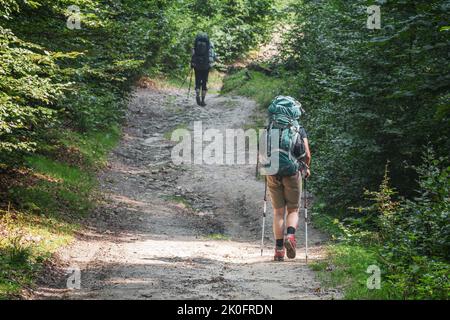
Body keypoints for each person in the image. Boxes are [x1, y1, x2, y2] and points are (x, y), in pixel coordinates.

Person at [267, 124, 311, 262]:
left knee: (278, 212)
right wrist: (306, 169)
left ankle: (279, 250)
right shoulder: (299, 129)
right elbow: (307, 154)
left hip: (272, 171)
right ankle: (290, 236)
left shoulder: (269, 127)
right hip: (292, 172)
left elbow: (261, 154)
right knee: (293, 209)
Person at [191, 32, 216, 106]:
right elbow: (213, 56)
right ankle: (203, 101)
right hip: (206, 65)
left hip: (197, 65)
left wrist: (192, 63)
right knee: (204, 83)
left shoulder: (196, 44)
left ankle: (197, 95)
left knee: (197, 81)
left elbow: (193, 54)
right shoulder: (209, 45)